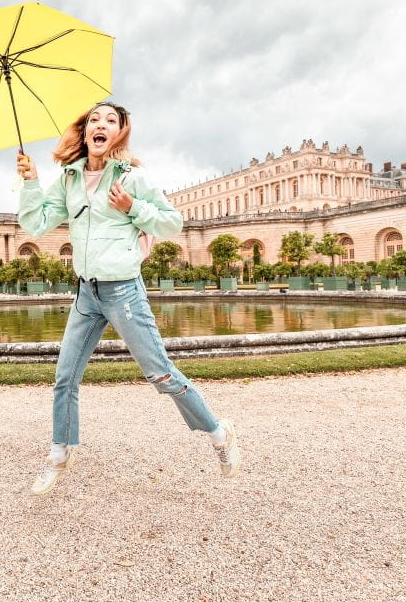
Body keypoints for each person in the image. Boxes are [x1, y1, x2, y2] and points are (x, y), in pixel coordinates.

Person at [17, 101, 241, 496]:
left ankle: (218, 432)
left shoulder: (131, 178)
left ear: (120, 132)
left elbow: (172, 222)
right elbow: (35, 224)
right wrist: (31, 182)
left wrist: (132, 207)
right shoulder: (68, 179)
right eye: (94, 120)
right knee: (65, 377)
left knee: (161, 375)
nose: (100, 125)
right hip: (87, 293)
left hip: (123, 291)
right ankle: (59, 454)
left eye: (110, 120)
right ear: (85, 131)